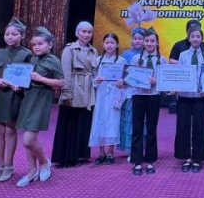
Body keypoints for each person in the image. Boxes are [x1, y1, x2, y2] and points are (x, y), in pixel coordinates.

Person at [0, 17, 32, 182]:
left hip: (14, 95)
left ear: (22, 35)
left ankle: (9, 165)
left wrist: (21, 86)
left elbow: (29, 75)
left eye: (14, 34)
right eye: (7, 34)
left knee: (11, 130)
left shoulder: (26, 54)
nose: (10, 37)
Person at [15, 27, 64, 187]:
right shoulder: (33, 59)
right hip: (28, 98)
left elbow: (61, 82)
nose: (36, 47)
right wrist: (19, 85)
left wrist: (41, 79)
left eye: (40, 44)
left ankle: (43, 162)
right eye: (34, 44)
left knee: (28, 140)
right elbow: (27, 78)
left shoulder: (53, 60)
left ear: (50, 45)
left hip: (41, 100)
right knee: (29, 138)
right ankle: (31, 170)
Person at [54, 21, 97, 168]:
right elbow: (65, 72)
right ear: (77, 33)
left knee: (83, 122)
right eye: (83, 31)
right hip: (74, 88)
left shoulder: (93, 51)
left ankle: (80, 154)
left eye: (89, 32)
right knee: (69, 122)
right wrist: (66, 93)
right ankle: (66, 157)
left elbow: (95, 71)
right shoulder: (69, 49)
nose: (86, 34)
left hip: (88, 89)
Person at [123, 28, 166, 175]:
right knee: (137, 128)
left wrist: (157, 81)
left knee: (152, 128)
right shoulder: (136, 59)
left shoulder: (162, 59)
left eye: (152, 41)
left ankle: (150, 160)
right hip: (138, 95)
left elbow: (164, 81)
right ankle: (136, 160)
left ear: (157, 43)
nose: (149, 43)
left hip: (154, 95)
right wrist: (126, 81)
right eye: (146, 40)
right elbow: (130, 78)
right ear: (143, 42)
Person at [173, 25, 204, 173]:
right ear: (188, 38)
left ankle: (197, 158)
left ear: (202, 38)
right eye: (192, 36)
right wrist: (175, 87)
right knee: (183, 126)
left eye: (198, 36)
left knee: (199, 127)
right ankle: (186, 157)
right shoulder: (182, 55)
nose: (195, 39)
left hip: (200, 97)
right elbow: (179, 74)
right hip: (184, 96)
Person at [90, 33, 126, 165]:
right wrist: (96, 80)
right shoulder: (97, 60)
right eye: (107, 43)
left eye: (112, 43)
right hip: (101, 94)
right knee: (100, 120)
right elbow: (92, 78)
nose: (109, 45)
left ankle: (110, 152)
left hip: (115, 94)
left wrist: (122, 82)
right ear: (103, 44)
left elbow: (125, 79)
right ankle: (101, 152)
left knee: (113, 122)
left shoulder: (121, 61)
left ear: (117, 44)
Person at [118, 27, 144, 157]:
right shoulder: (125, 54)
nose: (138, 41)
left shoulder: (148, 54)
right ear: (132, 40)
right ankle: (130, 149)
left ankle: (141, 148)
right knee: (130, 120)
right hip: (129, 92)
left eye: (140, 38)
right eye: (135, 38)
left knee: (142, 121)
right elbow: (122, 72)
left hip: (143, 91)